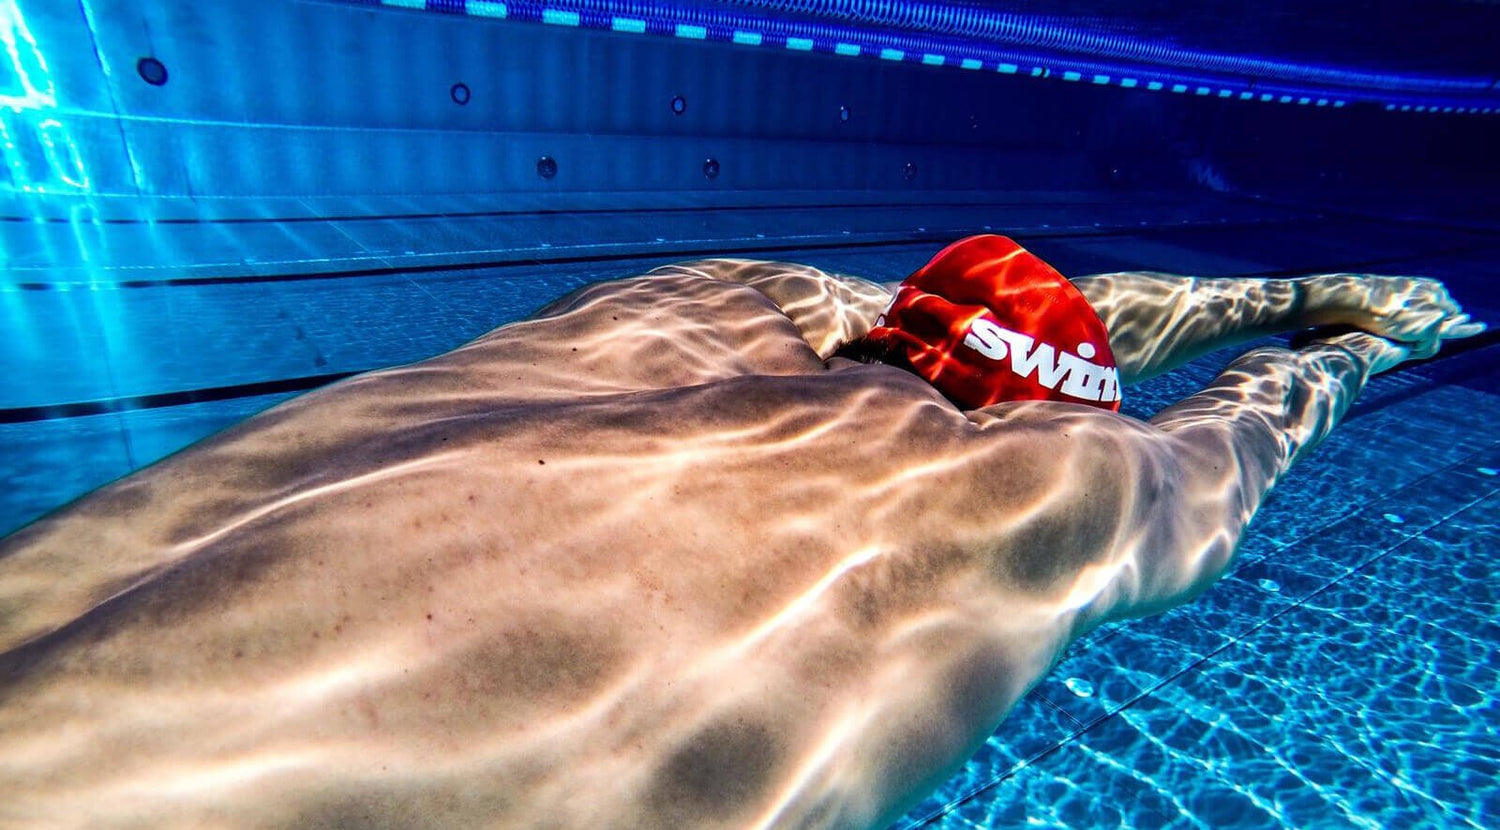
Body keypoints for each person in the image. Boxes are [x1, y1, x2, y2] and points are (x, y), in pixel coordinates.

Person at [0, 236, 1482, 828]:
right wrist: (1347, 340)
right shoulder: (1047, 488)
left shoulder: (702, 306)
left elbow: (966, 318)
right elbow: (1230, 448)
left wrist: (1274, 291)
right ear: (1055, 408)